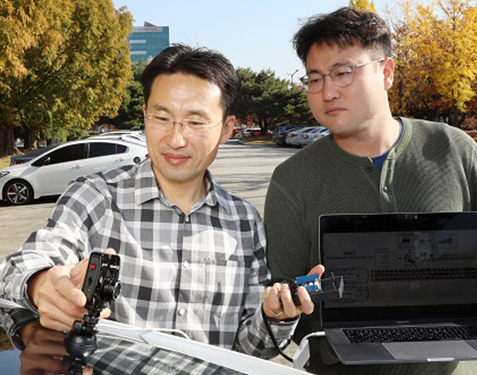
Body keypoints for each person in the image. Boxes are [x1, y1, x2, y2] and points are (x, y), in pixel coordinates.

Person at [0, 44, 319, 368]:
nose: (176, 139)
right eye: (162, 117)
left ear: (227, 129)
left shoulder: (244, 222)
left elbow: (248, 351)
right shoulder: (96, 197)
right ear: (145, 116)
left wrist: (274, 316)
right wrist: (41, 284)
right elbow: (17, 268)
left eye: (195, 122)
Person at [264, 7, 477, 375]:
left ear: (387, 72)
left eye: (342, 73)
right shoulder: (291, 179)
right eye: (314, 78)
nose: (327, 92)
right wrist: (288, 304)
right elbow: (286, 286)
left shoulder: (454, 149)